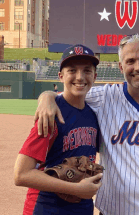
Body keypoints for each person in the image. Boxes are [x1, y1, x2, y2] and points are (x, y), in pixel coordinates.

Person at [35, 34, 139, 215]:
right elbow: (69, 94)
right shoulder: (104, 97)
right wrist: (47, 96)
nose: (138, 67)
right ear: (121, 66)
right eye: (130, 61)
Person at [14, 44, 103, 215]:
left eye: (87, 71)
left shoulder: (93, 114)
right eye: (72, 70)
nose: (80, 77)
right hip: (45, 207)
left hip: (81, 207)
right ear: (61, 76)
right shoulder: (51, 114)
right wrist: (76, 189)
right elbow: (21, 174)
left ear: (95, 76)